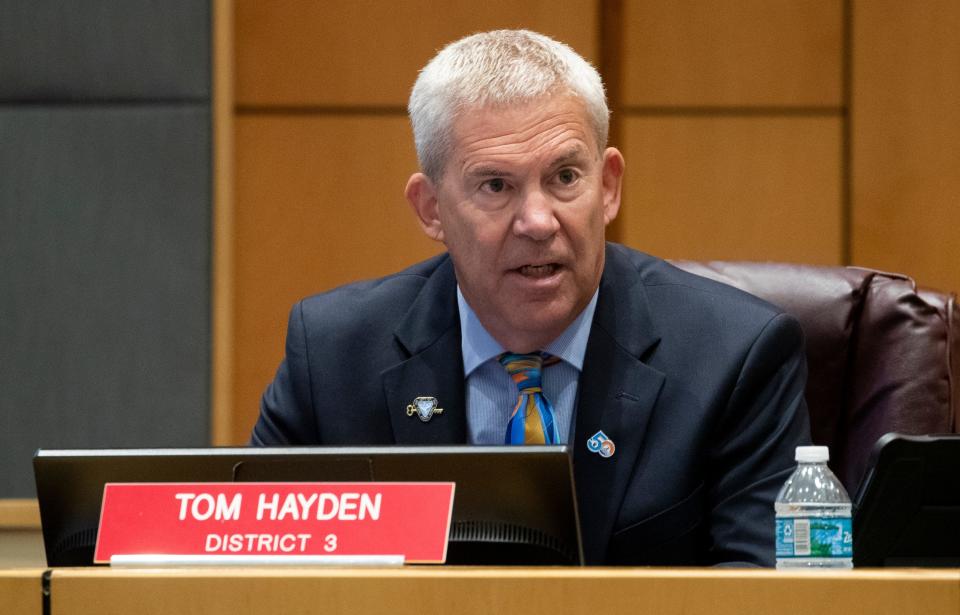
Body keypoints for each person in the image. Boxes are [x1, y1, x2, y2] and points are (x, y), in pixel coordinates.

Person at [251, 29, 810, 566]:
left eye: (565, 177)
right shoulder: (332, 355)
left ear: (608, 185)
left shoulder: (735, 356)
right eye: (496, 185)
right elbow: (247, 572)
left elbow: (768, 591)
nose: (539, 222)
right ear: (431, 209)